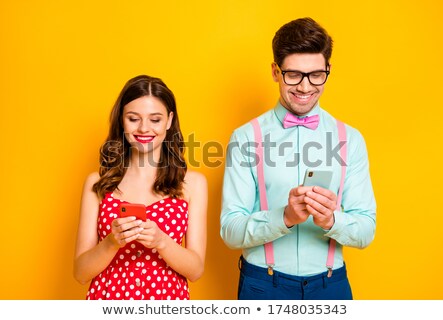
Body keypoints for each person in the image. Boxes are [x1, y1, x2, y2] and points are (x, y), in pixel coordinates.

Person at [220, 17, 376, 300]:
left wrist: (331, 220)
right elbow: (230, 231)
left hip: (331, 288)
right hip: (263, 286)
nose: (305, 87)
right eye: (293, 75)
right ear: (275, 72)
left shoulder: (350, 139)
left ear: (328, 70)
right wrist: (285, 217)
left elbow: (366, 230)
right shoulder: (245, 137)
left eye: (316, 75)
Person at [74, 75, 208, 300]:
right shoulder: (97, 183)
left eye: (155, 119)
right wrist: (111, 242)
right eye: (133, 118)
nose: (144, 129)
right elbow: (80, 273)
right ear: (121, 120)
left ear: (169, 120)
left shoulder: (192, 184)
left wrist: (161, 241)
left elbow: (195, 271)